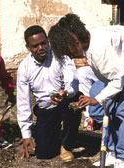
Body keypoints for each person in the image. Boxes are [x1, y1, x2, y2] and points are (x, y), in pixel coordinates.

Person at [48, 13, 124, 168]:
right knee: (104, 110)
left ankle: (123, 158)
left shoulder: (98, 48)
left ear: (74, 38)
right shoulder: (89, 45)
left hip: (121, 76)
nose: (68, 55)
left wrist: (96, 98)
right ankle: (112, 152)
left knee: (121, 112)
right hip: (114, 75)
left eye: (66, 49)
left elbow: (119, 79)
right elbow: (109, 75)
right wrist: (98, 98)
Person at [16, 25, 81, 161]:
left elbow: (72, 81)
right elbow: (23, 101)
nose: (41, 48)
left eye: (43, 43)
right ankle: (55, 135)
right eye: (35, 46)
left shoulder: (60, 56)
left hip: (64, 101)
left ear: (47, 41)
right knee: (44, 153)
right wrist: (26, 134)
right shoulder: (24, 68)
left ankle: (66, 145)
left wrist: (66, 93)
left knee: (75, 102)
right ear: (28, 48)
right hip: (46, 108)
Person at [76, 65, 104, 130]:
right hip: (103, 68)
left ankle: (100, 119)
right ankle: (90, 118)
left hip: (117, 71)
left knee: (103, 86)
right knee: (82, 72)